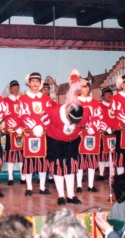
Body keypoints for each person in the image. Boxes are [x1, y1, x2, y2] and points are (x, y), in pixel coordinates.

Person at [45, 69, 88, 205]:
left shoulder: (84, 113)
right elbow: (43, 119)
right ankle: (61, 195)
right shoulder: (54, 112)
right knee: (58, 166)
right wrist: (39, 127)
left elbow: (86, 123)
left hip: (71, 140)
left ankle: (71, 195)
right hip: (55, 140)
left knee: (70, 166)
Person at [18, 72, 51, 196]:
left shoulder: (46, 99)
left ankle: (42, 187)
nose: (35, 83)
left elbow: (48, 115)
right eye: (33, 81)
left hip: (42, 134)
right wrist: (33, 126)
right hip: (29, 134)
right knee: (29, 161)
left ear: (40, 83)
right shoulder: (23, 98)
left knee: (42, 161)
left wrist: (42, 127)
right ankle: (29, 187)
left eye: (37, 81)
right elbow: (22, 115)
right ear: (29, 83)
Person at [76, 79, 103, 193]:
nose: (86, 89)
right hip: (80, 134)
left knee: (92, 160)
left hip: (93, 134)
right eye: (83, 86)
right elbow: (73, 118)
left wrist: (94, 127)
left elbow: (99, 116)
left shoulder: (95, 102)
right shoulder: (75, 102)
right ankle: (79, 185)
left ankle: (91, 185)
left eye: (87, 86)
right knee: (80, 161)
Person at [3, 80, 26, 185]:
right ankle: (10, 178)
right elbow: (6, 116)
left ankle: (23, 177)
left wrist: (22, 127)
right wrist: (15, 126)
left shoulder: (22, 100)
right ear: (10, 89)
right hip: (11, 131)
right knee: (10, 156)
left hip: (21, 131)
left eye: (17, 86)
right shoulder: (5, 101)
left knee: (22, 155)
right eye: (14, 87)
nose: (16, 89)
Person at [97, 87, 115, 181]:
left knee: (113, 153)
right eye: (107, 93)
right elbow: (98, 119)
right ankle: (101, 174)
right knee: (103, 154)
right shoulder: (99, 106)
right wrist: (105, 128)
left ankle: (112, 174)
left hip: (114, 133)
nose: (109, 95)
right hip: (104, 133)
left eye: (110, 93)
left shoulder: (114, 106)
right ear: (103, 96)